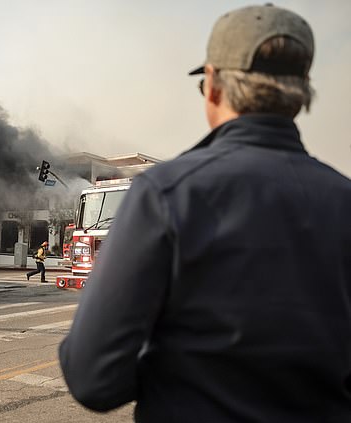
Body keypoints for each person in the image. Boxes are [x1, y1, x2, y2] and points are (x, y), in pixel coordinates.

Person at [59, 4, 351, 422]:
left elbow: (92, 378)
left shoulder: (164, 195)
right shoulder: (344, 200)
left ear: (212, 85)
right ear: (302, 93)